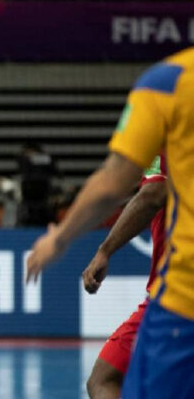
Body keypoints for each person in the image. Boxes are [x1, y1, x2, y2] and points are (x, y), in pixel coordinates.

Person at [26, 47, 194, 398]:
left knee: (104, 380)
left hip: (184, 299)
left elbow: (137, 188)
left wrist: (62, 240)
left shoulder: (170, 84)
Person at [83, 155, 167, 399]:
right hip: (168, 293)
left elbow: (153, 194)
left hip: (176, 293)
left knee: (104, 379)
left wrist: (105, 250)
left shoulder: (167, 141)